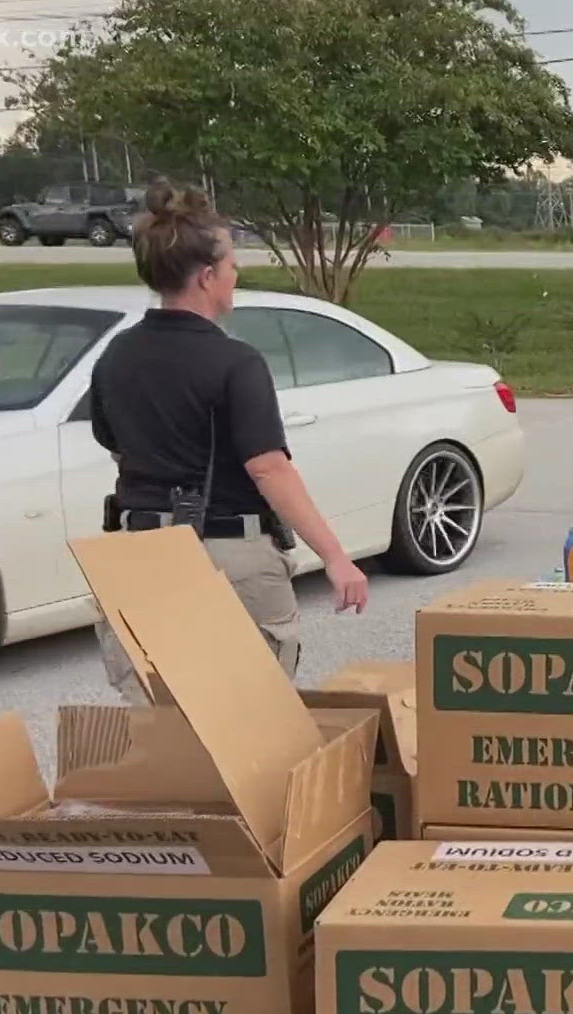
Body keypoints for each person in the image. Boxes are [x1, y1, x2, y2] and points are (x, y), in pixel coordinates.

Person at [89, 179, 368, 703]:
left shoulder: (115, 355)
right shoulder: (235, 362)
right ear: (208, 275)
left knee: (161, 720)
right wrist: (335, 557)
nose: (236, 275)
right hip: (224, 553)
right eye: (233, 265)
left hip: (137, 552)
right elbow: (269, 469)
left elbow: (116, 443)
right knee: (246, 716)